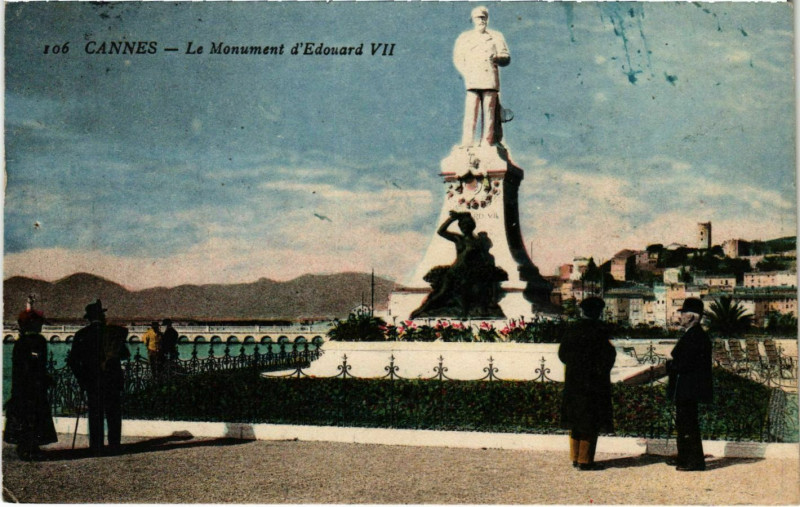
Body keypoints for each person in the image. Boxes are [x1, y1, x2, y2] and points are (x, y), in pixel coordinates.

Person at [558, 297, 616, 471]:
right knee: (591, 421)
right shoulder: (600, 330)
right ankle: (585, 460)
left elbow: (562, 355)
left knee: (575, 419)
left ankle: (575, 457)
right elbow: (608, 356)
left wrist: (575, 366)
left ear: (582, 311)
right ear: (598, 312)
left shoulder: (572, 329)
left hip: (574, 381)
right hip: (594, 383)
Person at [67, 300, 130, 456]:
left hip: (92, 380)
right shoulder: (113, 333)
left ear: (88, 318)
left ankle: (96, 447)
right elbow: (125, 354)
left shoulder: (81, 335)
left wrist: (82, 380)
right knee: (113, 413)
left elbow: (73, 361)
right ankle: (114, 445)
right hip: (111, 379)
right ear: (101, 316)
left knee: (95, 413)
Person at [3, 307, 58, 460]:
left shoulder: (20, 343)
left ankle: (26, 447)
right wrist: (44, 378)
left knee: (25, 417)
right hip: (33, 386)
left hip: (21, 387)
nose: (41, 326)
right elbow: (34, 366)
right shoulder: (37, 341)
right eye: (39, 323)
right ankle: (31, 448)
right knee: (33, 415)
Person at [666, 297, 712, 471]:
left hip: (688, 388)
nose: (681, 316)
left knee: (687, 424)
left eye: (683, 313)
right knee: (685, 423)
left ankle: (692, 461)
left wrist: (670, 365)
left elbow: (685, 364)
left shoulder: (695, 336)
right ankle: (685, 458)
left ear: (692, 317)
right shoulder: (696, 335)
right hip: (689, 387)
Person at [453, 6, 510, 147]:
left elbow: (506, 57)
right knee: (471, 112)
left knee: (489, 112)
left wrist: (496, 57)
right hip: (472, 79)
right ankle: (467, 142)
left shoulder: (496, 36)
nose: (481, 20)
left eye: (484, 17)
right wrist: (467, 73)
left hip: (489, 78)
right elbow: (458, 58)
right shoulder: (465, 38)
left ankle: (487, 142)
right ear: (472, 19)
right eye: (478, 17)